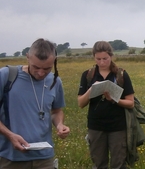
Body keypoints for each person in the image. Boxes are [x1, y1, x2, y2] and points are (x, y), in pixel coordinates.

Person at [0, 38, 70, 169]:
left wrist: (60, 125)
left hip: (44, 158)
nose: (41, 73)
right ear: (28, 57)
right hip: (11, 158)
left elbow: (56, 111)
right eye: (36, 67)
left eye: (47, 69)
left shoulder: (55, 81)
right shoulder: (6, 76)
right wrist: (10, 135)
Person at [78, 41, 135, 169]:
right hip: (96, 126)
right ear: (93, 57)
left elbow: (130, 103)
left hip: (118, 126)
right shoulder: (87, 75)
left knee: (119, 164)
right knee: (99, 164)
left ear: (111, 56)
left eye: (105, 59)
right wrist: (91, 90)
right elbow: (81, 103)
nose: (102, 62)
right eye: (98, 59)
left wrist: (114, 99)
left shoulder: (121, 75)